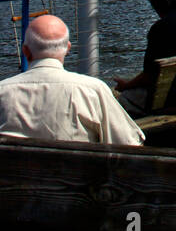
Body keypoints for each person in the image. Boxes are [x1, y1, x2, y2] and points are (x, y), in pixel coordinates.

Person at [0, 14, 144, 146]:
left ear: (25, 51)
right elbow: (129, 143)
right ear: (68, 48)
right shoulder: (93, 90)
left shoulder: (3, 91)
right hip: (79, 173)